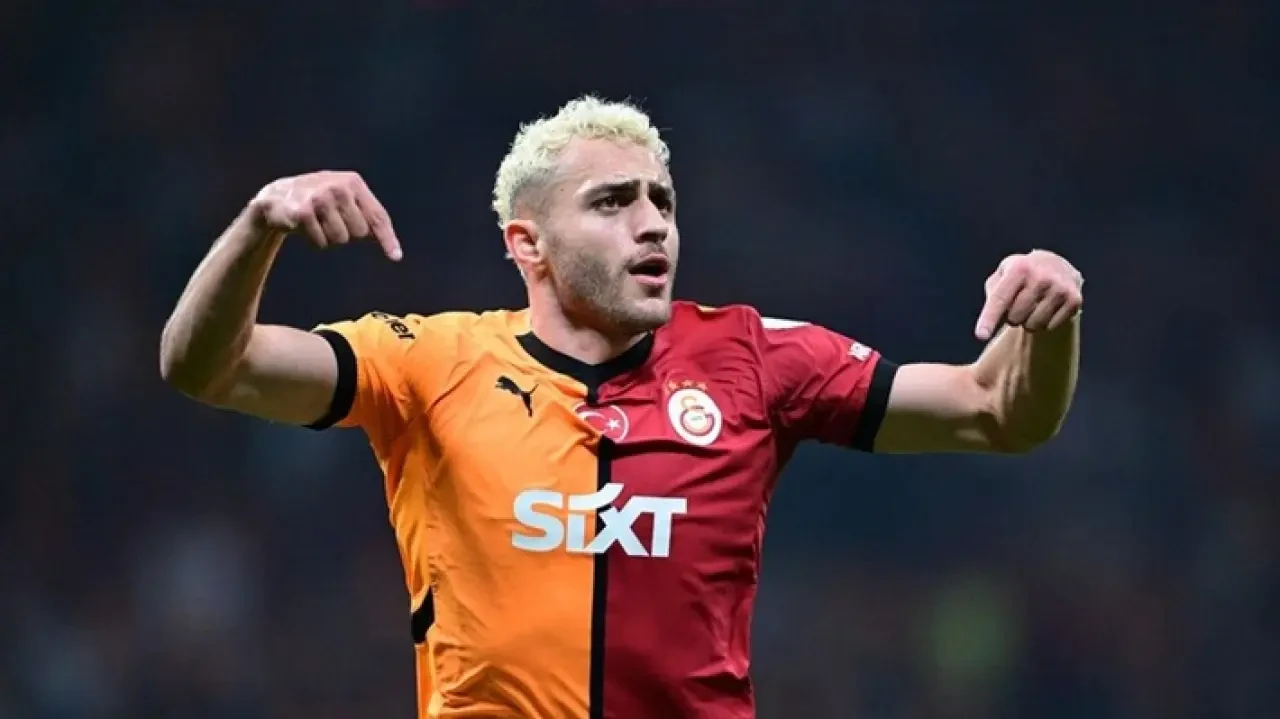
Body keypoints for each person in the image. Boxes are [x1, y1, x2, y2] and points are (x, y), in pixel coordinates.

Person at [160, 95, 1082, 719]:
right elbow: (206, 366)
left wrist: (1050, 316)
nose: (652, 224)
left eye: (662, 202)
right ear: (528, 244)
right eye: (611, 202)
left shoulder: (754, 357)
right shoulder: (429, 361)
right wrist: (259, 226)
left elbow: (998, 409)